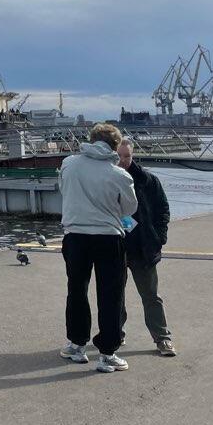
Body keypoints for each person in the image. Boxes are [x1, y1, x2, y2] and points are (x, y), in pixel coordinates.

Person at [58, 122, 138, 373]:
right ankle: (107, 353)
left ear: (91, 140)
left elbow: (63, 190)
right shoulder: (119, 175)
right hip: (108, 237)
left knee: (76, 290)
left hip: (75, 235)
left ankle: (76, 345)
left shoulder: (69, 164)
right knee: (111, 295)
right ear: (115, 146)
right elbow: (130, 208)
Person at [118, 138, 177, 356]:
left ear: (133, 155)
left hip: (143, 247)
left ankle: (162, 338)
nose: (123, 161)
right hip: (115, 246)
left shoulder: (148, 180)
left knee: (151, 296)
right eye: (119, 156)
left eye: (127, 156)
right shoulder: (108, 179)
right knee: (114, 295)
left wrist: (159, 237)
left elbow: (163, 209)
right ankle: (115, 334)